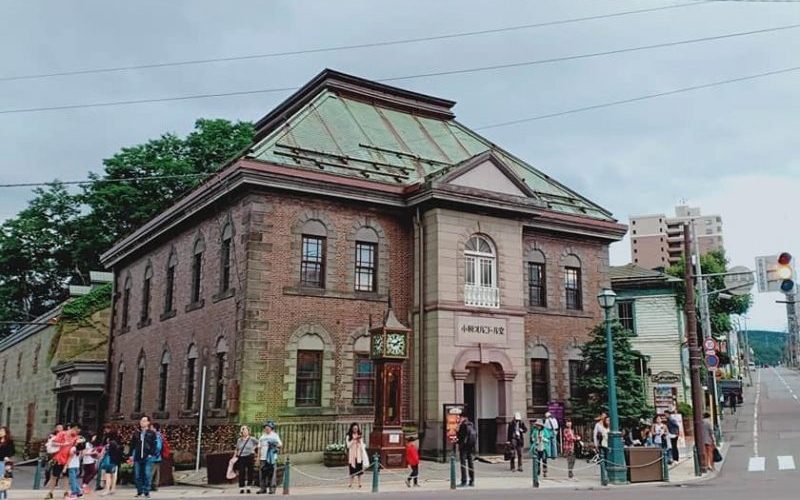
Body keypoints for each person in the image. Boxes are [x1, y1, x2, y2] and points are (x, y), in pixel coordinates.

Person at [45, 422, 79, 500]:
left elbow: (72, 452)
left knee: (66, 477)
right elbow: (53, 443)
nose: (76, 432)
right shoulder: (62, 434)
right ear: (72, 428)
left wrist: (67, 465)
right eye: (76, 430)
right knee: (54, 476)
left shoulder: (75, 438)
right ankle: (50, 492)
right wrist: (63, 444)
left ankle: (66, 492)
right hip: (58, 458)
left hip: (67, 460)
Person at [130, 415, 158, 498]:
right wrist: (131, 455)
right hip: (138, 456)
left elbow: (154, 444)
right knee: (138, 475)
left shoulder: (151, 433)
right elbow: (132, 445)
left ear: (148, 422)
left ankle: (146, 491)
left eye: (144, 421)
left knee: (147, 474)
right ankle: (139, 491)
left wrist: (151, 454)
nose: (142, 422)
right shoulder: (136, 433)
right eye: (141, 420)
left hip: (147, 456)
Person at [257, 421, 282, 494]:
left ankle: (272, 489)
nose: (266, 429)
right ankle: (262, 488)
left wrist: (274, 444)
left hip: (272, 459)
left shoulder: (275, 435)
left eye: (268, 428)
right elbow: (259, 447)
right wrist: (258, 457)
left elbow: (280, 445)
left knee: (272, 474)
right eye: (265, 428)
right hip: (263, 458)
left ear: (271, 428)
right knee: (262, 474)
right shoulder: (262, 437)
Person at [99, 423, 123, 497]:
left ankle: (107, 489)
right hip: (116, 457)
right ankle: (112, 488)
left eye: (107, 429)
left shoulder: (109, 439)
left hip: (109, 457)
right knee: (114, 473)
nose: (105, 430)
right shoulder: (118, 437)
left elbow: (104, 447)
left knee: (108, 474)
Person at [235, 425, 258, 494]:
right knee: (241, 471)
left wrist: (254, 448)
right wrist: (235, 456)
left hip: (250, 456)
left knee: (250, 471)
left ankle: (249, 487)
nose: (244, 432)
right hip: (242, 457)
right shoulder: (239, 440)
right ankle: (241, 487)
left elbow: (259, 443)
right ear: (241, 432)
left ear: (248, 432)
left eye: (246, 431)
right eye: (243, 431)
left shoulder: (252, 439)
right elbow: (237, 448)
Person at [345, 423, 367, 488]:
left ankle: (359, 483)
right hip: (352, 455)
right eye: (354, 428)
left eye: (356, 428)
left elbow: (363, 445)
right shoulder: (348, 436)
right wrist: (354, 440)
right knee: (352, 471)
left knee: (359, 470)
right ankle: (350, 483)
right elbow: (348, 446)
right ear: (352, 429)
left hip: (359, 455)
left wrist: (359, 441)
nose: (355, 430)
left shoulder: (359, 436)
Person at [456, 415, 476, 487]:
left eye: (459, 418)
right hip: (470, 447)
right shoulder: (471, 424)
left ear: (463, 418)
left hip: (464, 447)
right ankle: (472, 480)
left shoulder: (462, 426)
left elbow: (459, 437)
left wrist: (457, 430)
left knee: (463, 463)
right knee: (470, 463)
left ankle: (464, 481)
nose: (458, 419)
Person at [66, 435, 86, 499]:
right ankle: (79, 491)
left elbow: (70, 457)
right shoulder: (81, 449)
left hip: (71, 465)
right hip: (77, 465)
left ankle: (74, 493)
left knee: (72, 480)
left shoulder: (73, 448)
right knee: (74, 480)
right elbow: (81, 457)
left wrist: (66, 465)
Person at [149, 422, 166, 491]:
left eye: (151, 427)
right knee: (156, 471)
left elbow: (158, 446)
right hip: (157, 456)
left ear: (155, 429)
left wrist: (153, 453)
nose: (150, 429)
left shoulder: (157, 436)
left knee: (152, 471)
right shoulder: (158, 435)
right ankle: (155, 485)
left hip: (155, 456)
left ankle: (150, 484)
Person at [0, 426, 14, 500]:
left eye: (2, 431)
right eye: (0, 431)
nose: (1, 432)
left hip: (4, 462)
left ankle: (2, 497)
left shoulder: (9, 441)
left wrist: (7, 457)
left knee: (3, 480)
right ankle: (3, 496)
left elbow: (12, 451)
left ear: (6, 432)